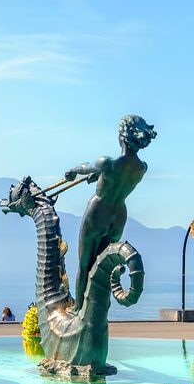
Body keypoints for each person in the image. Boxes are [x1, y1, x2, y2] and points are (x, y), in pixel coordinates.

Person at [61, 115, 157, 285]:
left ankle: (79, 302)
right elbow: (116, 177)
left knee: (85, 266)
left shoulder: (107, 163)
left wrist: (73, 170)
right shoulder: (142, 168)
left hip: (98, 211)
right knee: (102, 267)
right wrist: (99, 176)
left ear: (123, 137)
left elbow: (85, 167)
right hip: (119, 215)